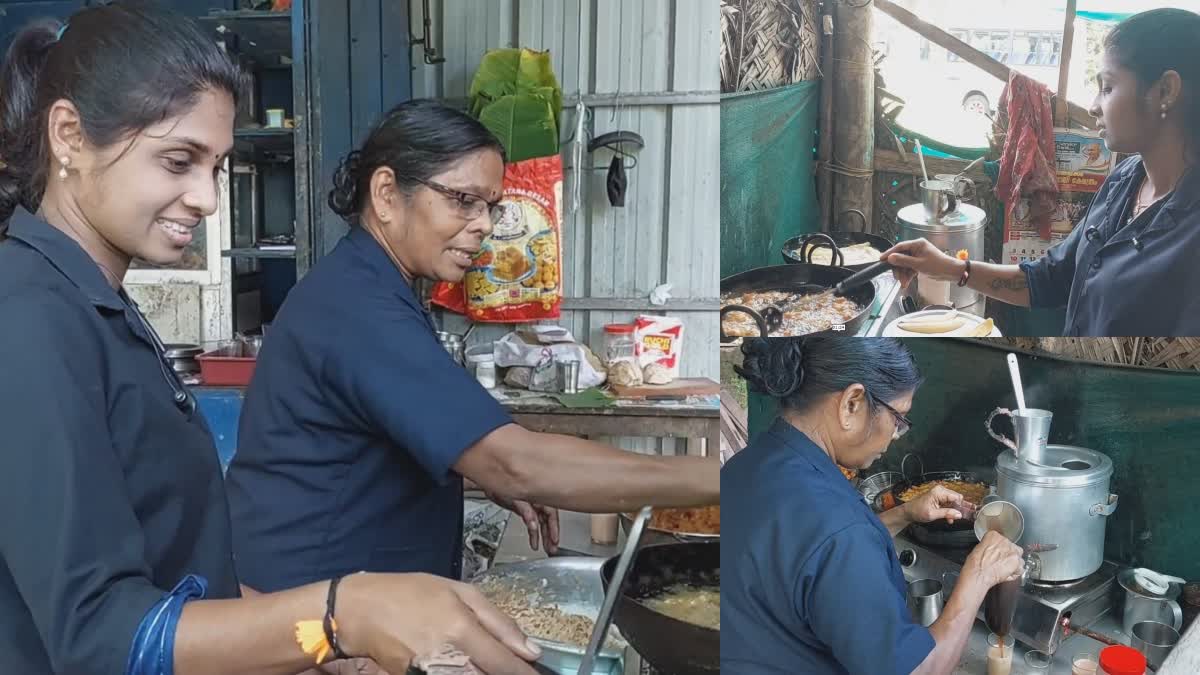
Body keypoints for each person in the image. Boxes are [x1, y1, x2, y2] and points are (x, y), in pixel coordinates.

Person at [0, 4, 546, 674]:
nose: (205, 197)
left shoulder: (99, 305)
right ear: (69, 136)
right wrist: (343, 612)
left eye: (217, 166)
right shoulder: (27, 317)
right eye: (178, 160)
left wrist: (325, 650)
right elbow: (100, 635)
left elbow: (188, 579)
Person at [223, 99, 720, 592]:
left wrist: (489, 475)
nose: (484, 224)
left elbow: (391, 438)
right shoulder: (358, 308)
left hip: (341, 591)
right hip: (307, 612)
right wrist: (725, 481)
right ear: (388, 194)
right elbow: (517, 462)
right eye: (464, 201)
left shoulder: (369, 287)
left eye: (491, 207)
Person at [883, 8, 1200, 337]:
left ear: (1165, 91)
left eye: (1107, 87)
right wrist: (949, 268)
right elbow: (1051, 278)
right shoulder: (1124, 181)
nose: (1093, 106)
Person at [721, 338, 1024, 675]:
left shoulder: (747, 464)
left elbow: (806, 559)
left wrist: (904, 514)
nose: (897, 435)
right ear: (852, 403)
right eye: (898, 419)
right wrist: (977, 577)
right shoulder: (840, 530)